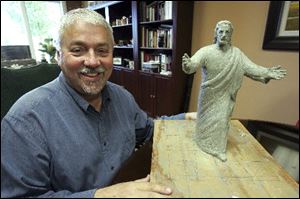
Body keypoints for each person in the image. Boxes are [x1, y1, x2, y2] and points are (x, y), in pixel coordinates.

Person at [1, 9, 196, 198]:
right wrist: (104, 195)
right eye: (78, 50)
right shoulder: (24, 122)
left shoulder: (123, 98)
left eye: (102, 51)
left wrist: (187, 117)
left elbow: (150, 130)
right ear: (58, 56)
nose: (93, 61)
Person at [182, 20, 287, 162]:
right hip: (208, 95)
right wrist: (188, 65)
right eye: (221, 32)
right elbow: (193, 65)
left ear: (231, 35)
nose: (224, 35)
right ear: (216, 33)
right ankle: (202, 141)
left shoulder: (237, 54)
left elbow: (251, 68)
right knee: (205, 121)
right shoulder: (206, 51)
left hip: (225, 94)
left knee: (221, 120)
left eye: (227, 32)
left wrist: (267, 72)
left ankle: (217, 149)